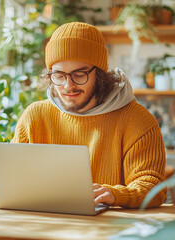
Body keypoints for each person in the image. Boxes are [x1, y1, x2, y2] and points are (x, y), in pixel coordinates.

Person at [11, 22, 166, 208]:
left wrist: (115, 194)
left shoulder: (138, 120)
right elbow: (13, 178)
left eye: (79, 74)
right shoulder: (35, 116)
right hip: (45, 223)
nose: (68, 86)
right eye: (59, 75)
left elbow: (153, 188)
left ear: (99, 74)